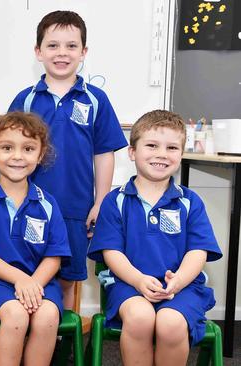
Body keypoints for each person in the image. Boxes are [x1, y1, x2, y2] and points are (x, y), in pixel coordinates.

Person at [8, 11, 127, 308]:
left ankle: (61, 342)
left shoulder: (96, 99)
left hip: (76, 207)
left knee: (68, 278)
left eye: (71, 46)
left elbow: (103, 152)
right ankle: (32, 337)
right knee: (30, 271)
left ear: (84, 52)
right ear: (38, 52)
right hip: (30, 206)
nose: (62, 53)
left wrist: (100, 202)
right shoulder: (25, 100)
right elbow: (8, 153)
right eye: (53, 45)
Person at [88, 110, 222, 365]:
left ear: (180, 155)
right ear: (132, 152)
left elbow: (198, 251)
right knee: (140, 318)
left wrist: (179, 280)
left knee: (170, 323)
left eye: (172, 147)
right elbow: (111, 253)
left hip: (183, 287)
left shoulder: (189, 202)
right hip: (128, 284)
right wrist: (138, 281)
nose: (162, 154)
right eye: (151, 145)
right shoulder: (114, 201)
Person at [0, 112, 70, 365]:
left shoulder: (48, 203)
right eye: (7, 148)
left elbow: (54, 256)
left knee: (48, 315)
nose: (18, 156)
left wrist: (32, 284)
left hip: (39, 282)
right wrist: (20, 280)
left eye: (28, 148)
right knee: (16, 314)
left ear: (40, 155)